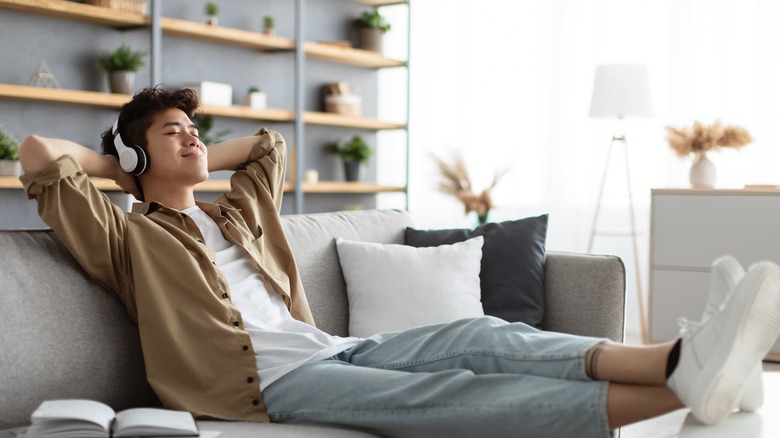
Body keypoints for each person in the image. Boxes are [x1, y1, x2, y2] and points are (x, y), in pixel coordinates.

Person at [18, 87, 780, 438]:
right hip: (264, 387)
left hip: (332, 350)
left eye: (194, 129)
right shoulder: (129, 236)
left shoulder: (233, 215)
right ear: (132, 154)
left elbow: (267, 147)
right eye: (174, 132)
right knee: (449, 393)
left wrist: (182, 151)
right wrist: (123, 165)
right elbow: (38, 155)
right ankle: (688, 392)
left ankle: (686, 356)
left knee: (486, 337)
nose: (192, 139)